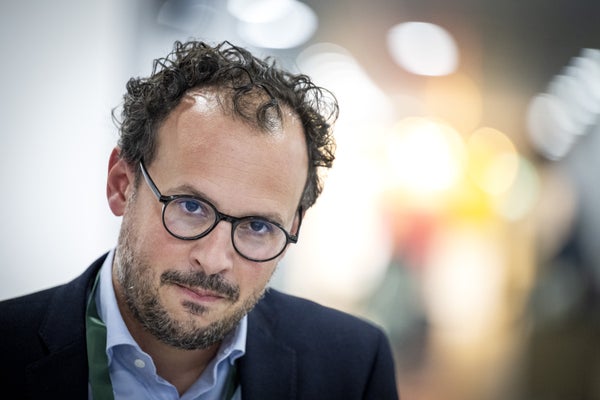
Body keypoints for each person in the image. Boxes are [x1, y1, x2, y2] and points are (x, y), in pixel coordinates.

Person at [0, 40, 399, 400]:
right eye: (191, 207)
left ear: (293, 229)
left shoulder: (353, 366)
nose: (212, 260)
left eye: (258, 226)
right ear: (122, 185)